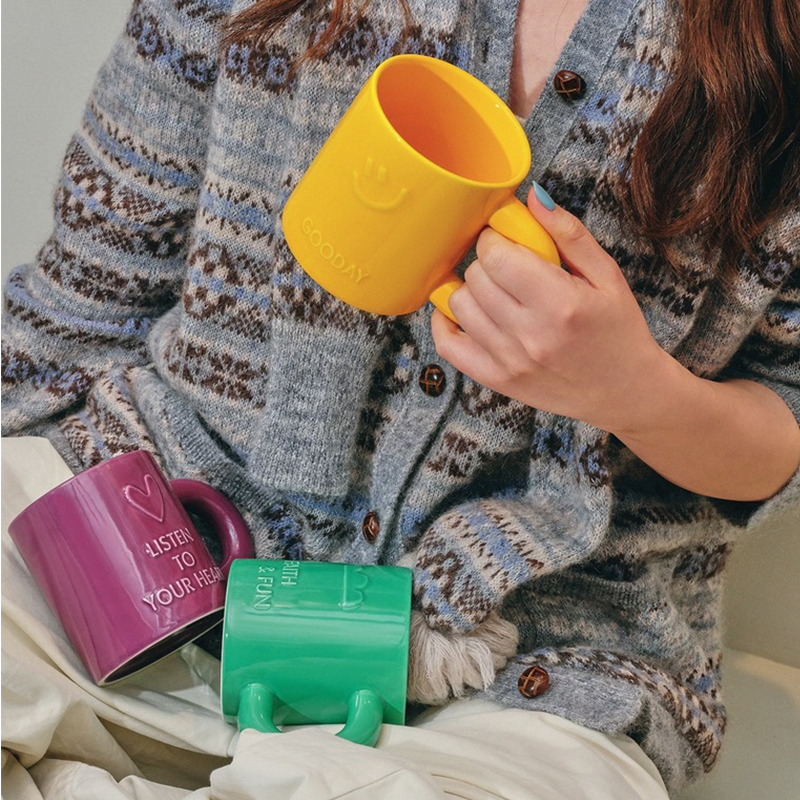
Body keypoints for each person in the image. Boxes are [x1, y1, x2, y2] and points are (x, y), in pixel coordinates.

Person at [2, 0, 798, 797]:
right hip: (147, 535)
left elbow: (785, 418)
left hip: (524, 660)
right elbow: (87, 288)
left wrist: (636, 393)